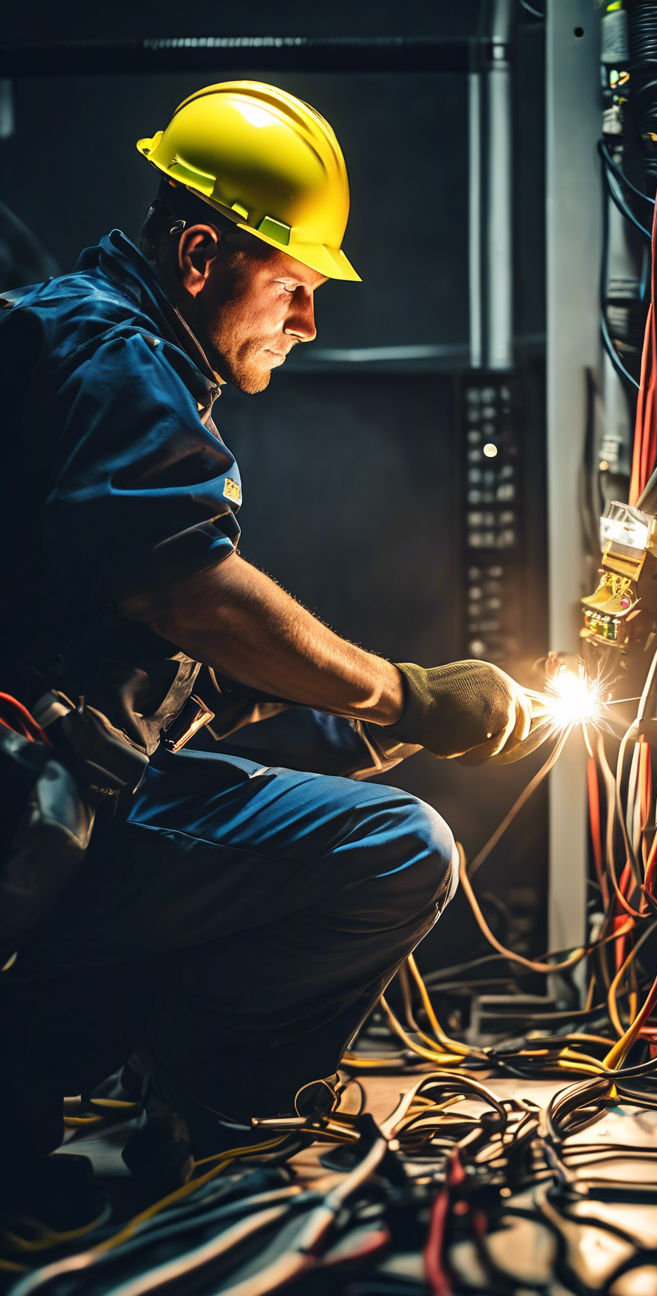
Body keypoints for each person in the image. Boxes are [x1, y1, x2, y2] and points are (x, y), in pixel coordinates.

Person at [0, 81, 532, 1173]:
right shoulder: (115, 355)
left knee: (341, 801)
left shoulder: (67, 340)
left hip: (48, 816)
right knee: (397, 847)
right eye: (292, 285)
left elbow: (146, 670)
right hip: (33, 833)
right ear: (200, 256)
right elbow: (190, 595)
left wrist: (371, 728)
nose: (309, 321)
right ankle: (219, 1113)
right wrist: (402, 693)